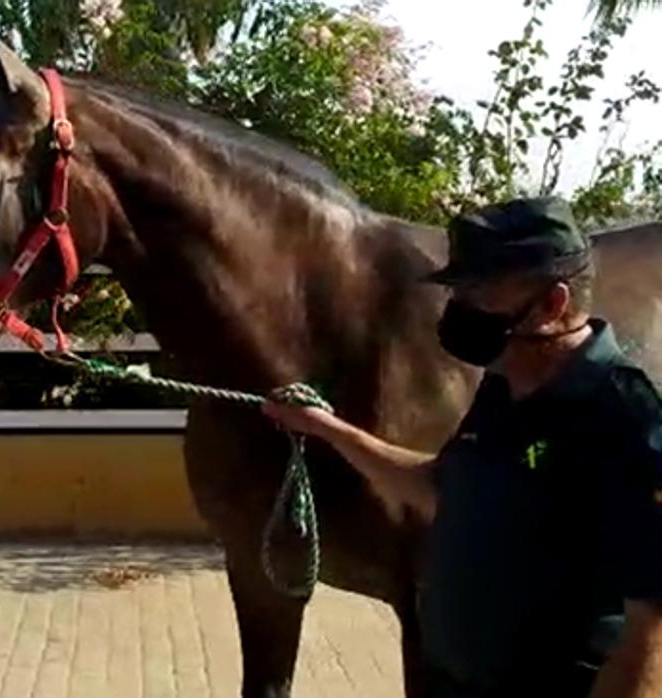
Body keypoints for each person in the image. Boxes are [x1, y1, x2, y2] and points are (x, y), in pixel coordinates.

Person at [263, 197, 662, 697]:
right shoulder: (501, 388)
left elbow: (649, 632)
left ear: (553, 303)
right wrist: (324, 427)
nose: (460, 310)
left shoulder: (623, 416)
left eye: (481, 292)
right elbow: (438, 488)